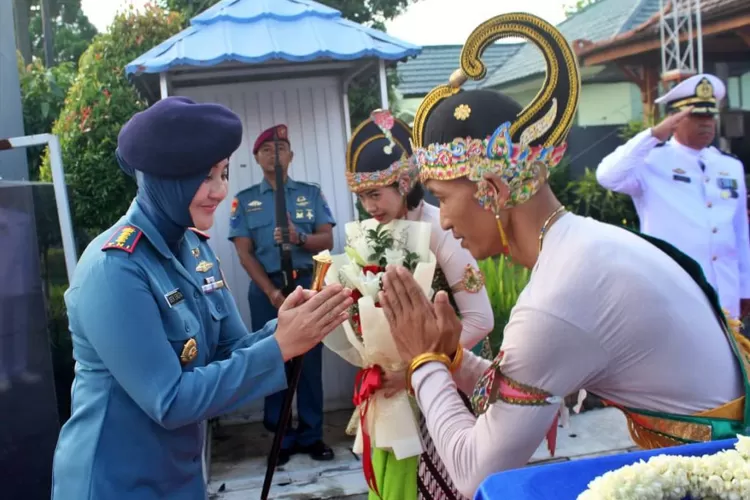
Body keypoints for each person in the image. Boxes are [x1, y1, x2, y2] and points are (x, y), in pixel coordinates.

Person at [376, 13, 750, 498]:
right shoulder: (582, 244)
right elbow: (526, 380)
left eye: (443, 198)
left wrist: (421, 359)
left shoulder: (559, 294)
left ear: (491, 190)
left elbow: (474, 474)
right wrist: (450, 357)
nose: (442, 221)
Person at [50, 97, 353, 499]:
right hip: (115, 483)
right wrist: (280, 346)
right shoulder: (115, 270)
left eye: (223, 173)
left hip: (180, 479)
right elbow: (171, 400)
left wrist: (284, 327)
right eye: (204, 177)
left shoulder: (194, 248)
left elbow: (229, 349)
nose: (219, 191)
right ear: (164, 177)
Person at [345, 110, 494, 499]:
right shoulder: (372, 236)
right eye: (362, 197)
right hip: (395, 384)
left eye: (375, 193)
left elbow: (481, 318)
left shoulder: (442, 230)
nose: (368, 207)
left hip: (449, 382)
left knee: (447, 484)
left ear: (406, 182)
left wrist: (419, 364)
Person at [596, 74, 750, 320]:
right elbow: (607, 176)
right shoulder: (651, 162)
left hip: (725, 290)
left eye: (710, 116)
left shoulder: (729, 166)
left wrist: (745, 287)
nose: (707, 123)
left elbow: (740, 232)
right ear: (675, 120)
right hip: (676, 291)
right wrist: (655, 134)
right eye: (697, 116)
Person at [228, 124, 337, 466]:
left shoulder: (310, 193)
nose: (275, 153)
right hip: (267, 290)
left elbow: (327, 240)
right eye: (267, 149)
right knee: (273, 359)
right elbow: (244, 254)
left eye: (282, 147)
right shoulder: (245, 201)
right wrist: (273, 293)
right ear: (257, 157)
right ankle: (281, 437)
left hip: (306, 286)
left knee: (309, 360)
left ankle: (311, 434)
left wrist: (299, 237)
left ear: (291, 155)